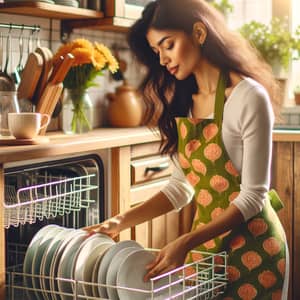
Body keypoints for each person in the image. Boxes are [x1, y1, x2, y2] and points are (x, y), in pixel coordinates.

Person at [85, 0, 289, 298]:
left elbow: (254, 197)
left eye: (168, 44)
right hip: (205, 249)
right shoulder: (183, 100)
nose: (163, 59)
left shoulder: (248, 97)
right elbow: (180, 188)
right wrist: (118, 221)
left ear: (199, 32)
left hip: (254, 249)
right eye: (157, 51)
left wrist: (184, 242)